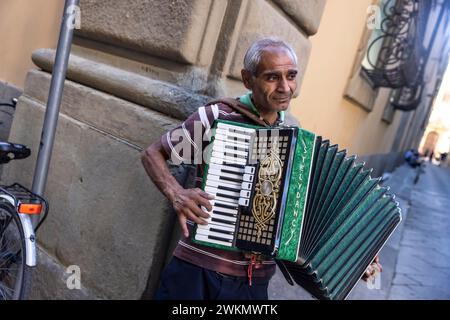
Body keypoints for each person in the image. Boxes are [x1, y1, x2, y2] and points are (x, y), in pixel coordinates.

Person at [141, 38, 381, 300]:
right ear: (247, 79)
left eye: (291, 76)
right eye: (272, 77)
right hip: (197, 273)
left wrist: (356, 255)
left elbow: (307, 219)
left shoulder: (295, 145)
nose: (285, 87)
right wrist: (177, 193)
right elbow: (153, 154)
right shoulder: (216, 117)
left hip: (253, 286)